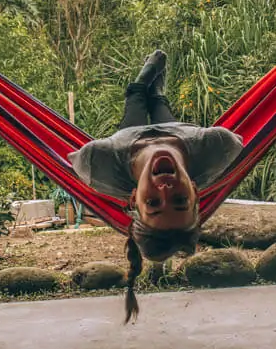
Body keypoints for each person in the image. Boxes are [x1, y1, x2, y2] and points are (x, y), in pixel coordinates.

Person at [68, 50, 244, 323]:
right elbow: (238, 141)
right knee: (160, 105)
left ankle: (139, 86)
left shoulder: (100, 162)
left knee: (137, 100)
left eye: (153, 204)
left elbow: (72, 159)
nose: (165, 189)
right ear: (196, 191)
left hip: (129, 140)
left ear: (133, 199)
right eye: (180, 200)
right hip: (179, 133)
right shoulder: (215, 148)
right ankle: (157, 92)